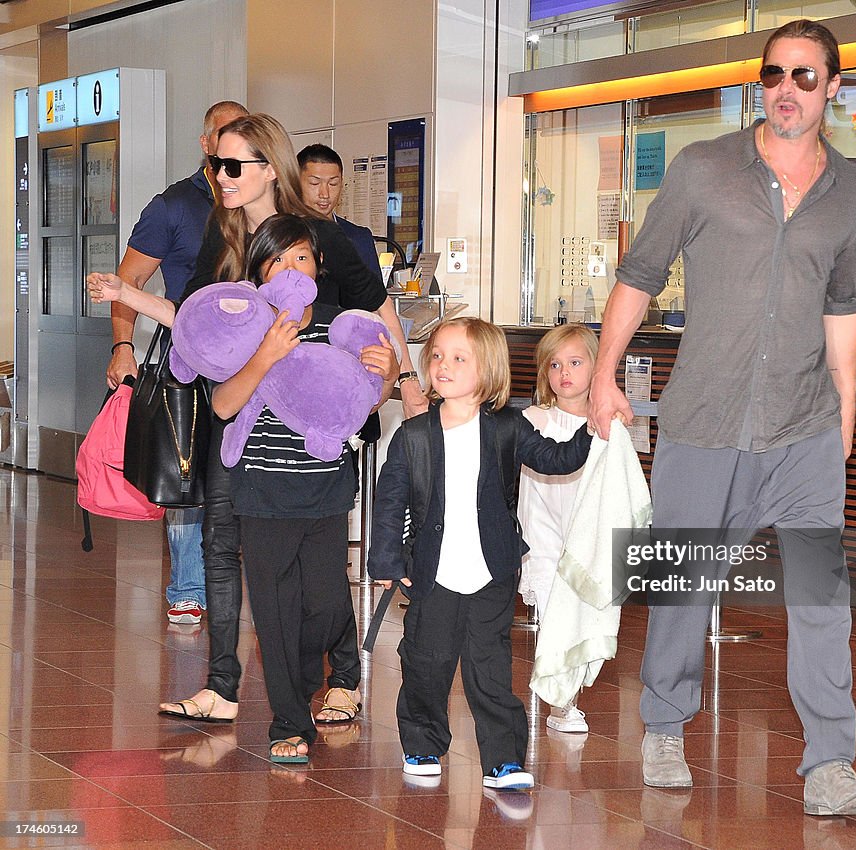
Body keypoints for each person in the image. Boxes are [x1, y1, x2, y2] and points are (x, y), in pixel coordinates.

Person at [587, 20, 856, 816]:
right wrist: (603, 375)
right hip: (706, 417)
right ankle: (663, 724)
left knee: (823, 595)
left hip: (806, 427)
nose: (786, 89)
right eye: (773, 74)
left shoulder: (853, 189)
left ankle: (829, 764)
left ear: (833, 89)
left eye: (805, 76)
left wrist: (846, 418)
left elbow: (845, 305)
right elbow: (639, 273)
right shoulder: (702, 169)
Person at [91, 113, 396, 725]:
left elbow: (379, 307)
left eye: (232, 167)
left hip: (310, 425)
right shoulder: (223, 237)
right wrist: (127, 299)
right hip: (236, 413)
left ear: (267, 168)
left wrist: (398, 381)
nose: (220, 178)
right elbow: (191, 317)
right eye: (215, 166)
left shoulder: (317, 239)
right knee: (219, 541)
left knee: (320, 567)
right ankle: (223, 688)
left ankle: (344, 675)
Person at [368, 317, 592, 790]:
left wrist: (593, 429)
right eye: (436, 356)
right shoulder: (414, 436)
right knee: (425, 663)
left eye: (458, 358)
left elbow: (557, 459)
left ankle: (503, 760)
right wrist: (386, 560)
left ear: (487, 370)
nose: (442, 366)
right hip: (433, 574)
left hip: (492, 572)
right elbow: (389, 501)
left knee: (490, 670)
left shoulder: (509, 427)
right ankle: (423, 743)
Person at [208, 214, 395, 763]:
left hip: (326, 492)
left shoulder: (342, 325)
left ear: (317, 267)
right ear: (260, 268)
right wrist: (266, 353)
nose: (291, 268)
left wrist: (384, 377)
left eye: (302, 258)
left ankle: (304, 669)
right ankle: (288, 721)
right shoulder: (248, 326)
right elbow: (223, 406)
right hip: (263, 495)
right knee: (273, 611)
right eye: (278, 259)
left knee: (327, 603)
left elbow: (364, 400)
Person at [102, 100, 248, 626]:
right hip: (185, 359)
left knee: (240, 464)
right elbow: (128, 283)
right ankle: (189, 583)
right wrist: (123, 347)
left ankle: (240, 577)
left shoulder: (259, 205)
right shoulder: (173, 206)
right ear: (207, 143)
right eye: (224, 134)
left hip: (249, 359)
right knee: (186, 464)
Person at [297, 143, 428, 418]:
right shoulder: (286, 235)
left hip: (354, 360)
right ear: (295, 182)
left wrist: (406, 377)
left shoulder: (357, 237)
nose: (324, 194)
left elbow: (378, 304)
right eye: (314, 183)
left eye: (333, 184)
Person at [518, 324, 598, 734]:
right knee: (555, 618)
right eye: (554, 364)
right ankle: (562, 702)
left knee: (586, 621)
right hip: (543, 541)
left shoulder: (607, 424)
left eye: (575, 362)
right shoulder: (534, 420)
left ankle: (570, 691)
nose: (564, 372)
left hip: (588, 544)